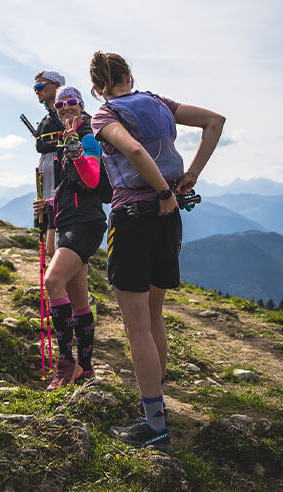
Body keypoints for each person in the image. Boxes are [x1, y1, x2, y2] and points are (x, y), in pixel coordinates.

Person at [88, 51, 224, 450]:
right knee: (154, 314)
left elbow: (132, 151)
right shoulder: (162, 104)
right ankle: (156, 406)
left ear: (97, 87)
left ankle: (154, 425)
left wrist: (163, 191)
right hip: (170, 219)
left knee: (136, 327)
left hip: (133, 219)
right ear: (130, 75)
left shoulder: (104, 115)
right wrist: (188, 177)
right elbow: (215, 122)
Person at [32, 86, 106, 389]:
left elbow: (92, 177)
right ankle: (85, 369)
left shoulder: (88, 136)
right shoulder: (67, 138)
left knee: (52, 282)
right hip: (68, 220)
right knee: (77, 298)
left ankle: (65, 362)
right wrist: (49, 204)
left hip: (85, 224)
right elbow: (73, 188)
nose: (66, 108)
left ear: (82, 105)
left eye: (72, 103)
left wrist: (74, 146)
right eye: (61, 104)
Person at [32, 71, 68, 257]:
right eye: (34, 88)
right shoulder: (45, 120)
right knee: (48, 246)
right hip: (44, 187)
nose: (36, 91)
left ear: (57, 86)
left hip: (61, 186)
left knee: (56, 245)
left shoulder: (70, 114)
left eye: (40, 86)